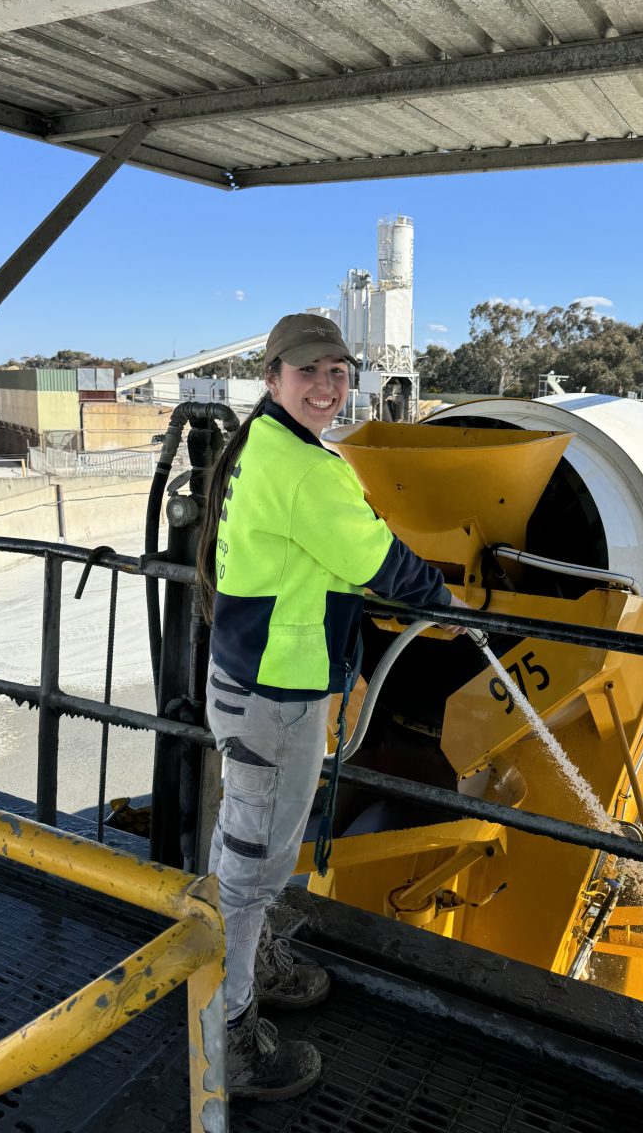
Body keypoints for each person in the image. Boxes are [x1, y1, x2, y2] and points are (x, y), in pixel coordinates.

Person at [195, 313, 467, 1100]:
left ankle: (250, 971)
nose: (326, 386)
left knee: (249, 848)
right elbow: (372, 555)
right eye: (309, 372)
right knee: (250, 869)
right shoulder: (308, 469)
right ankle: (231, 1035)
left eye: (338, 373)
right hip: (275, 695)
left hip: (251, 678)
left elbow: (322, 556)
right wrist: (443, 603)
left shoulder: (269, 447)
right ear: (274, 378)